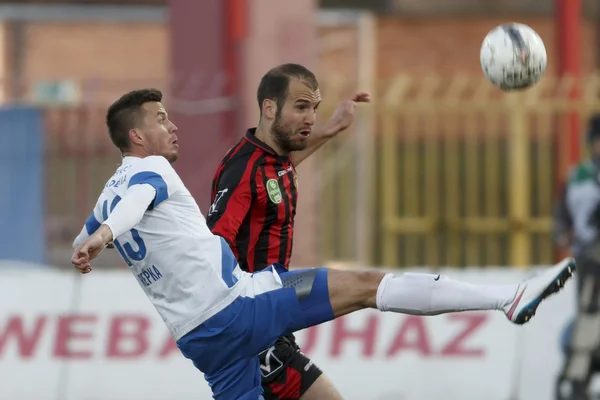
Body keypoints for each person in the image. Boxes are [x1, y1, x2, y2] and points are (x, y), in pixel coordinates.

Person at [72, 88, 575, 400]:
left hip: (201, 342)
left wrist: (89, 240)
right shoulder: (150, 173)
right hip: (238, 309)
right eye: (161, 118)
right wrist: (104, 236)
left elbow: (100, 223)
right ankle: (507, 299)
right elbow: (133, 206)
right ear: (137, 136)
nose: (172, 124)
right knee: (363, 286)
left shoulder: (107, 193)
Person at [206, 63, 369, 400]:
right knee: (367, 287)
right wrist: (239, 325)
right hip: (255, 325)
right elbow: (213, 248)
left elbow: (278, 173)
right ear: (269, 108)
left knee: (363, 286)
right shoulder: (243, 168)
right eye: (301, 106)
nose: (310, 117)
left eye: (314, 108)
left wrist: (332, 129)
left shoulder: (272, 161)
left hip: (275, 308)